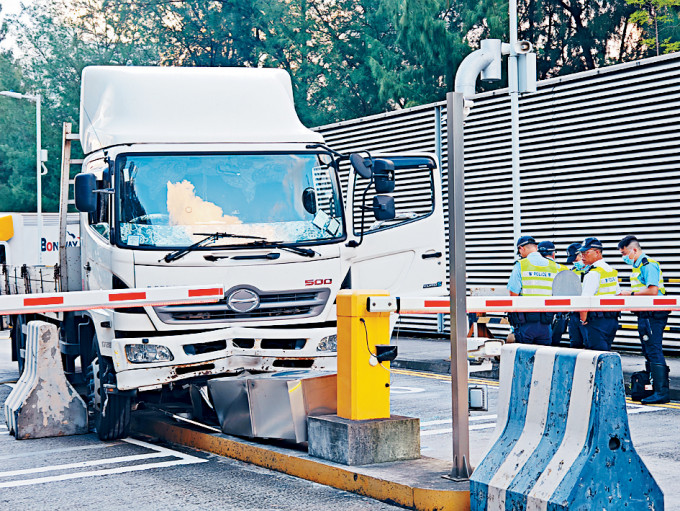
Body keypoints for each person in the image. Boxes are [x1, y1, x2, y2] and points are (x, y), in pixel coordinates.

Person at [618, 235, 670, 404]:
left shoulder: (648, 265)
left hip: (654, 314)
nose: (624, 257)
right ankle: (653, 389)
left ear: (634, 250)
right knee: (648, 350)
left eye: (624, 253)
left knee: (654, 349)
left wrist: (630, 294)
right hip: (645, 314)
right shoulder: (639, 266)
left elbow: (653, 291)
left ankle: (661, 392)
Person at [506, 236, 560, 345]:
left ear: (521, 248)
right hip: (546, 322)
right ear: (536, 247)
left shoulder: (521, 265)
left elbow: (513, 294)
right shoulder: (554, 266)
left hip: (525, 322)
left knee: (524, 357)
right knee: (544, 358)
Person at [578, 238, 620, 351]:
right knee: (606, 352)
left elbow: (585, 301)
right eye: (581, 253)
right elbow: (618, 295)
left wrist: (583, 321)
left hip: (596, 322)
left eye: (586, 252)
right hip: (611, 320)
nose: (582, 255)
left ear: (597, 252)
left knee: (596, 355)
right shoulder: (610, 270)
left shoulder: (593, 273)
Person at [538, 241, 568, 346]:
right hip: (556, 313)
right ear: (553, 254)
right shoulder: (562, 269)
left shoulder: (530, 268)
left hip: (534, 312)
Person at [566, 242, 589, 349]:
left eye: (576, 260)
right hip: (574, 314)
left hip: (589, 315)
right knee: (575, 344)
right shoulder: (572, 272)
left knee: (590, 345)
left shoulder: (593, 271)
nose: (575, 263)